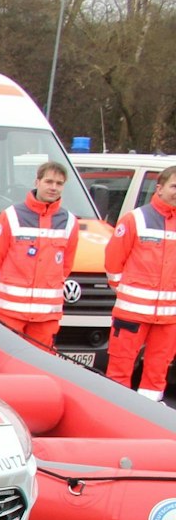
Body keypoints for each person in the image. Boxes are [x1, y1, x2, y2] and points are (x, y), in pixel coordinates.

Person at [0, 160, 78, 350]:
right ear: (37, 182)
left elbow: (66, 265)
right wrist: (2, 289)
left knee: (39, 366)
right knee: (3, 359)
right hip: (9, 311)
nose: (53, 187)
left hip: (46, 316)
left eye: (59, 184)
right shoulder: (11, 215)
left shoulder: (69, 222)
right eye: (49, 182)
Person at [104, 165, 176, 400]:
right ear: (160, 188)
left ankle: (148, 416)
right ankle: (116, 413)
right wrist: (126, 293)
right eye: (174, 186)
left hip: (168, 317)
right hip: (132, 314)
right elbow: (114, 262)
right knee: (120, 369)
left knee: (157, 374)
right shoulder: (136, 219)